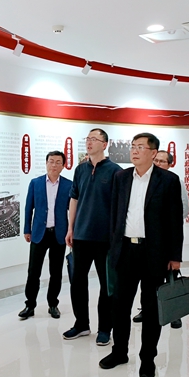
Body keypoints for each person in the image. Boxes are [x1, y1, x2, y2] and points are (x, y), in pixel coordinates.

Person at [99, 133, 184, 377]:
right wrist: (113, 245)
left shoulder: (168, 180)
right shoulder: (121, 177)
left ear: (153, 153)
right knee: (119, 305)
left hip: (154, 253)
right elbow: (115, 214)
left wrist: (175, 256)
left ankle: (148, 359)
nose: (134, 151)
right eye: (133, 146)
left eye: (140, 147)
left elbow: (174, 221)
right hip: (125, 250)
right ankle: (119, 352)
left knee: (151, 308)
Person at [63, 128, 122, 345]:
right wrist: (70, 228)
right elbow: (74, 199)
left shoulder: (116, 172)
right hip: (81, 236)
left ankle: (105, 328)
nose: (89, 142)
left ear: (105, 144)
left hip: (105, 239)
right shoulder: (80, 169)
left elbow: (119, 206)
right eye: (87, 139)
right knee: (77, 282)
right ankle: (81, 324)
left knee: (107, 286)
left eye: (94, 139)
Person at [132, 149, 189, 328]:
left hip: (167, 239)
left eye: (162, 161)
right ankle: (146, 309)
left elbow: (183, 210)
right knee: (148, 280)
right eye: (156, 160)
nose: (158, 164)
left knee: (170, 278)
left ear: (170, 165)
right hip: (147, 241)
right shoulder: (145, 181)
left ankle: (174, 312)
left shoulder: (174, 181)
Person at [19, 151, 72, 320]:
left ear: (63, 166)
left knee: (56, 272)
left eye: (58, 162)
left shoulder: (68, 185)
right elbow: (29, 208)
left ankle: (53, 304)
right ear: (46, 163)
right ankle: (30, 305)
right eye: (51, 161)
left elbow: (72, 210)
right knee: (33, 271)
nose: (54, 165)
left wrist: (72, 231)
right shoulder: (36, 183)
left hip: (59, 233)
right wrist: (27, 229)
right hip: (39, 233)